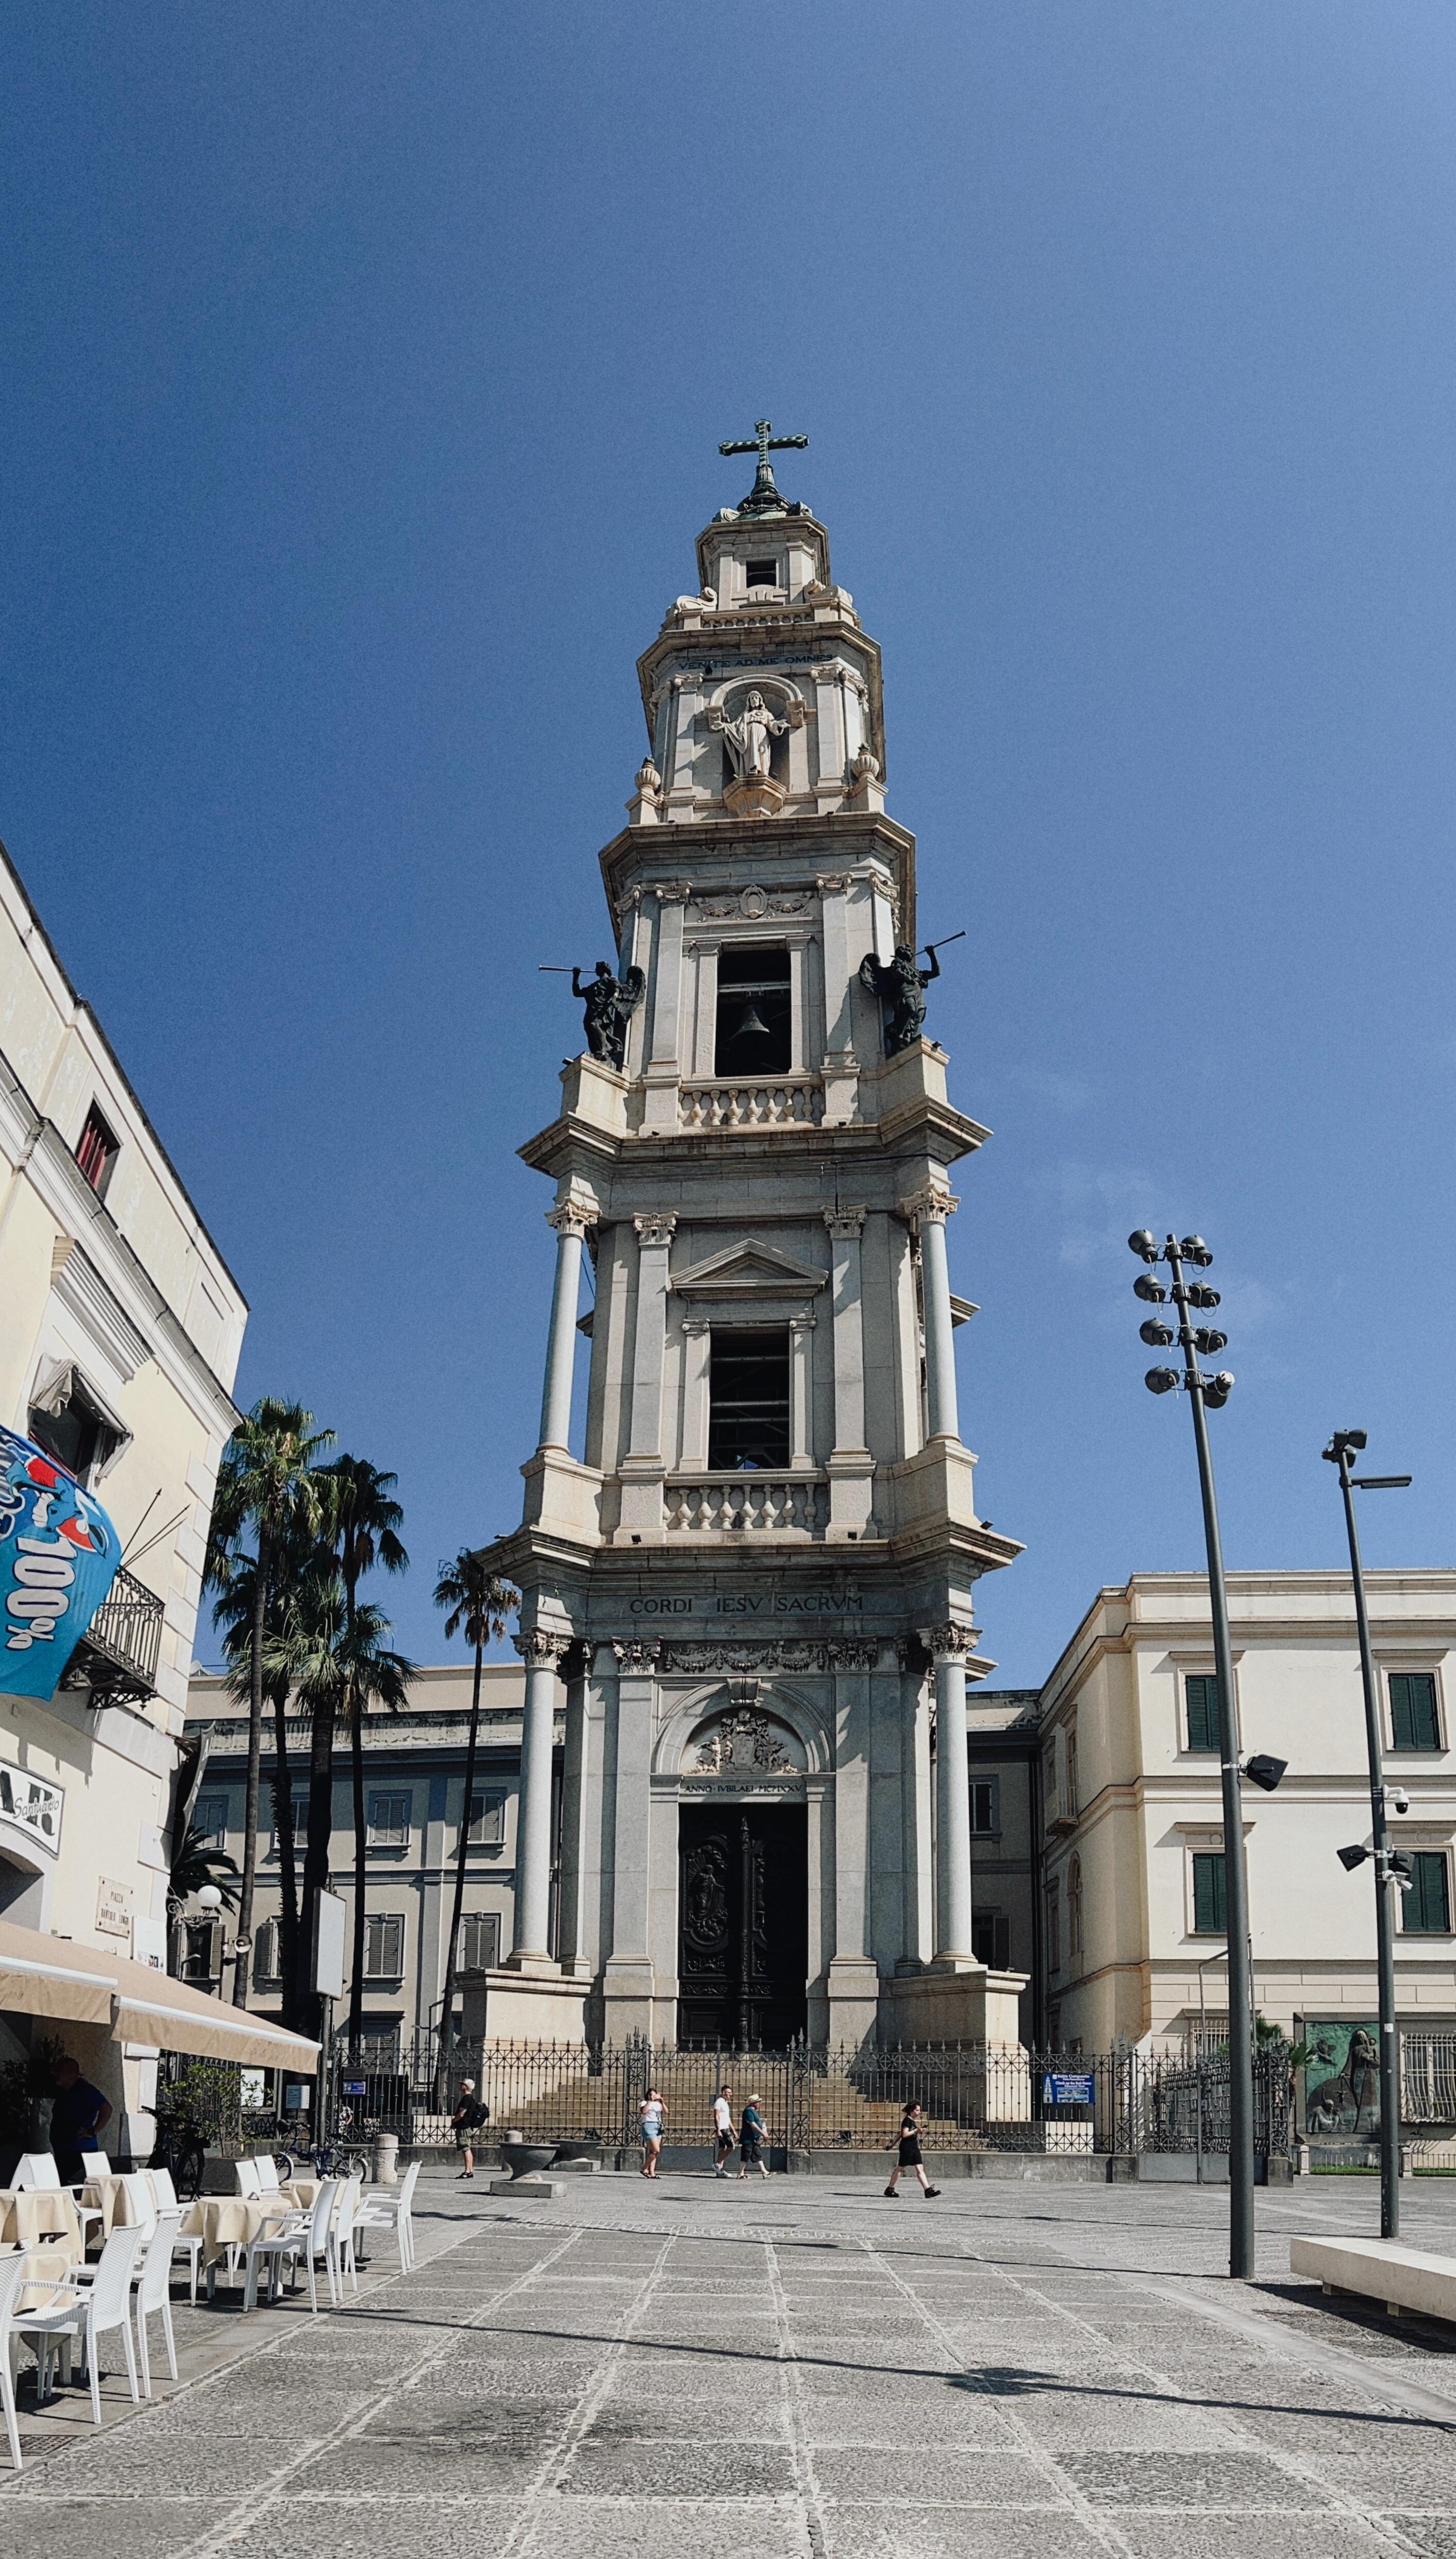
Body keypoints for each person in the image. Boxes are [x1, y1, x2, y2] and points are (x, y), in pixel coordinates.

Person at [49, 2055, 112, 2186]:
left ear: (71, 2073)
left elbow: (107, 2109)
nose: (55, 2074)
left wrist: (93, 2131)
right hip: (64, 2150)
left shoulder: (86, 2090)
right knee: (61, 2184)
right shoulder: (64, 2091)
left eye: (59, 2071)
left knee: (71, 2186)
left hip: (79, 2151)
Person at [884, 2100, 940, 2199]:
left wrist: (892, 2144)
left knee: (920, 2168)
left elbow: (900, 2134)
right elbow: (904, 2134)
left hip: (914, 2148)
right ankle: (890, 2188)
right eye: (917, 2110)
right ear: (912, 2110)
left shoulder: (911, 2121)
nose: (919, 2113)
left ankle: (928, 2190)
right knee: (900, 2168)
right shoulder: (907, 2121)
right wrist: (916, 2131)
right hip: (907, 2148)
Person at [451, 2078, 488, 2180]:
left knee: (465, 2148)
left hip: (464, 2126)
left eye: (462, 2084)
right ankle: (470, 2170)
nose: (460, 2086)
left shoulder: (466, 2099)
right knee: (467, 2148)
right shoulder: (471, 2099)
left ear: (466, 2087)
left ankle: (468, 2171)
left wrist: (454, 2121)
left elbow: (461, 2114)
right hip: (468, 2126)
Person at [738, 2092, 769, 2179]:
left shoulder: (753, 2111)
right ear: (753, 2103)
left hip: (754, 2138)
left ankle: (765, 2172)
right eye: (759, 2102)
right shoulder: (748, 2111)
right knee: (746, 2154)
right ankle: (741, 2173)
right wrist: (763, 2133)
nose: (760, 2103)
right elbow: (752, 2124)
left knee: (757, 2154)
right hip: (748, 2138)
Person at [639, 2087, 665, 2179]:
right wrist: (650, 2102)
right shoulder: (644, 2103)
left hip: (658, 2126)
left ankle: (652, 2172)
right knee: (656, 2150)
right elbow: (644, 2111)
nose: (652, 2097)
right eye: (650, 2095)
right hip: (648, 2126)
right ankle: (644, 2168)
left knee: (654, 2152)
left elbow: (667, 2112)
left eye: (654, 2095)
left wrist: (662, 2102)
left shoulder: (658, 2104)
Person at [712, 2084, 735, 2179]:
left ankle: (720, 2170)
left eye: (731, 2092)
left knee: (723, 2148)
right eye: (729, 2092)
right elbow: (716, 2116)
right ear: (723, 2093)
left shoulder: (725, 2103)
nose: (731, 2094)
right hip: (722, 2128)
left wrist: (734, 2130)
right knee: (731, 2147)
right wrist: (718, 2130)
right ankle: (717, 2164)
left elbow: (728, 2118)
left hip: (726, 2127)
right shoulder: (719, 2102)